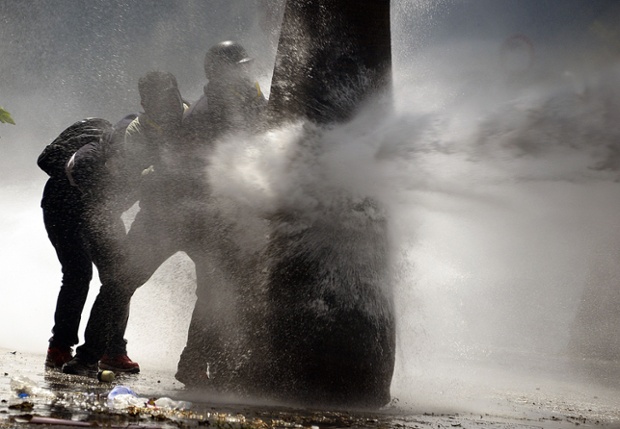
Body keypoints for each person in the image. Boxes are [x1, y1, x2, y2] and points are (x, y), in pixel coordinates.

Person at [62, 71, 203, 376]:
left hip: (198, 218)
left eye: (169, 95)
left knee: (216, 286)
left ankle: (193, 363)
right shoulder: (136, 132)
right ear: (144, 101)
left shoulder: (195, 116)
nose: (165, 103)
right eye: (156, 98)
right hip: (157, 220)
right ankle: (88, 357)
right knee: (118, 284)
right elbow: (138, 177)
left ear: (177, 93)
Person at [175, 40, 268, 388]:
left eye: (245, 66)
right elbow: (194, 173)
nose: (245, 72)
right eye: (238, 67)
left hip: (237, 213)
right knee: (216, 291)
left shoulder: (243, 99)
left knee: (237, 290)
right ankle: (194, 363)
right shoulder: (203, 114)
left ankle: (223, 364)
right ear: (218, 73)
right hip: (212, 217)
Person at [38, 115, 137, 370]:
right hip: (61, 207)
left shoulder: (145, 148)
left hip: (99, 212)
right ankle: (60, 346)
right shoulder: (90, 154)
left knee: (118, 277)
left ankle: (114, 351)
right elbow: (49, 162)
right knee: (78, 272)